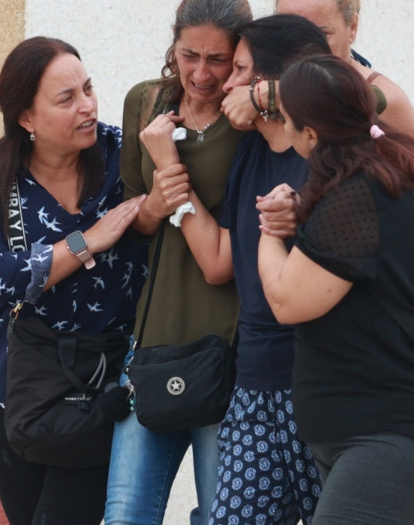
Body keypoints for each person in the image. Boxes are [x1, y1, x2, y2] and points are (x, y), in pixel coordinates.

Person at [257, 54, 414, 525]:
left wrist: (268, 231)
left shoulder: (356, 197)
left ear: (309, 135)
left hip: (392, 432)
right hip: (385, 429)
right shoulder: (403, 172)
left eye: (283, 120)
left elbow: (287, 300)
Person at [139, 14, 333, 525]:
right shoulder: (249, 153)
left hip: (315, 386)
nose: (223, 84)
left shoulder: (326, 158)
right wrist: (166, 166)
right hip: (251, 383)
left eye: (237, 69)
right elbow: (219, 262)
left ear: (273, 83)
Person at [0, 37, 148, 525]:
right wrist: (89, 241)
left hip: (99, 386)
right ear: (26, 117)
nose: (87, 106)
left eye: (88, 89)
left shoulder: (123, 155)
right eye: (66, 99)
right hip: (15, 388)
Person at [107, 1, 252, 524]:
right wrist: (155, 204)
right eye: (189, 55)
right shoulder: (146, 103)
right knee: (125, 513)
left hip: (225, 352)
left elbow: (231, 255)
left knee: (218, 516)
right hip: (152, 344)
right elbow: (133, 221)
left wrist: (176, 184)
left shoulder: (250, 120)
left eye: (219, 59)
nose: (201, 73)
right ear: (174, 46)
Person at [220, 0, 414, 143]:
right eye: (286, 32)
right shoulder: (260, 86)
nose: (300, 48)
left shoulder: (384, 95)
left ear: (352, 27)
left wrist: (272, 93)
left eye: (320, 33)